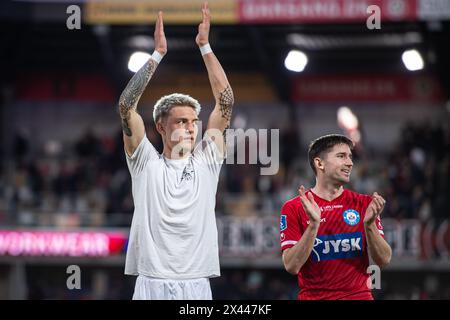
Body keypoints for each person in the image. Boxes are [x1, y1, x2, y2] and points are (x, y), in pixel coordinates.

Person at [118, 3, 234, 300]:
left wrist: (205, 47)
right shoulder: (145, 162)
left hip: (197, 282)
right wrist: (157, 54)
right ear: (160, 127)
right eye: (181, 121)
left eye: (194, 121)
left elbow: (225, 104)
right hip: (151, 281)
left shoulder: (207, 160)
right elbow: (125, 107)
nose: (191, 127)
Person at [280, 134, 392, 300]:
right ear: (320, 163)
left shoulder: (365, 204)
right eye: (341, 156)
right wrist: (313, 226)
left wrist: (369, 226)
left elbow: (384, 260)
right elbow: (291, 266)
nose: (350, 163)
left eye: (350, 157)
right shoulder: (294, 207)